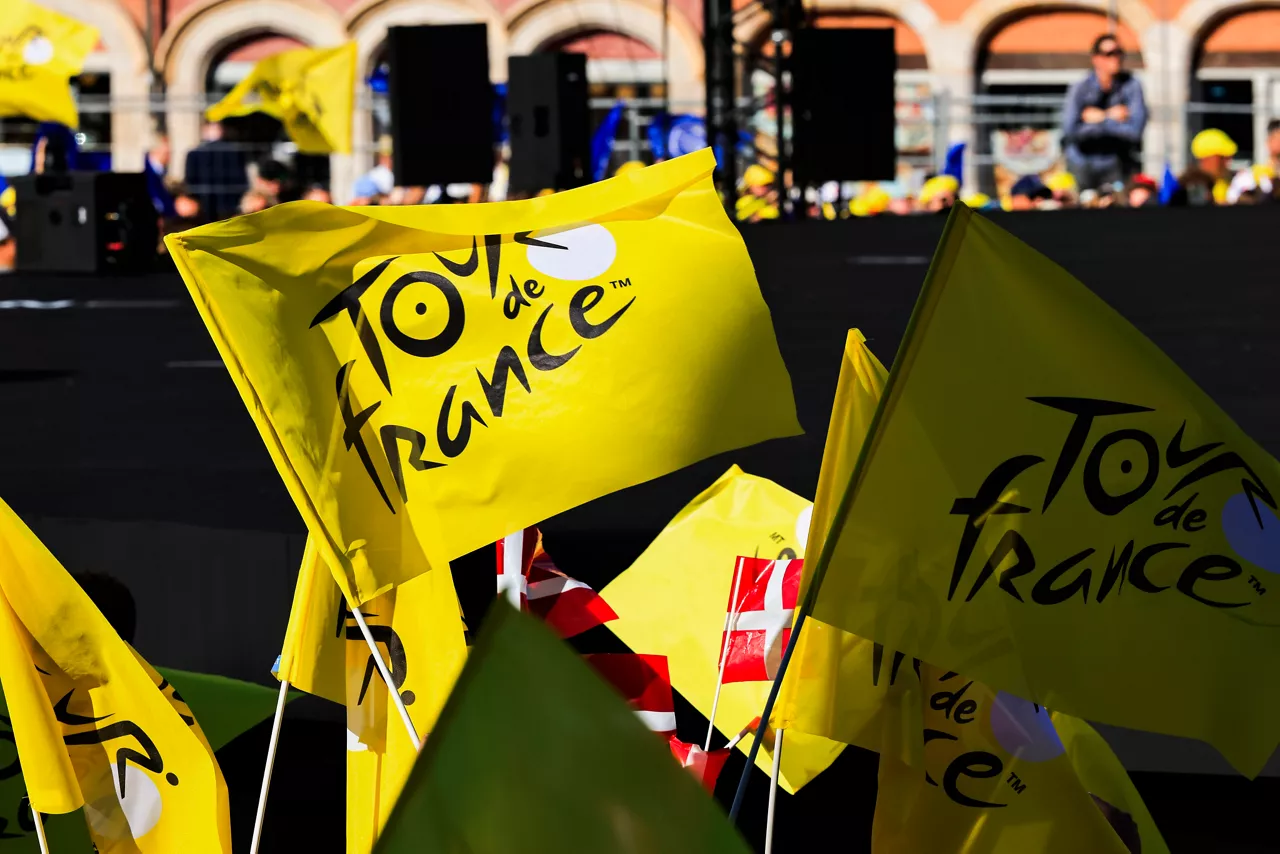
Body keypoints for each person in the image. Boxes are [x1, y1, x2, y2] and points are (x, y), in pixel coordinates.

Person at [1062, 34, 1147, 190]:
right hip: (1082, 162)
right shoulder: (1080, 87)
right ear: (1096, 58)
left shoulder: (1132, 86)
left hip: (1117, 163)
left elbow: (1135, 131)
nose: (1116, 58)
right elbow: (1071, 131)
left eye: (1119, 53)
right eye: (1109, 54)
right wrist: (1110, 116)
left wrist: (1098, 117)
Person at [184, 120, 249, 221]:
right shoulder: (235, 151)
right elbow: (242, 180)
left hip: (204, 205)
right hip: (228, 204)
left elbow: (190, 180)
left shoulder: (194, 153)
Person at [1189, 128, 1237, 204]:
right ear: (1205, 159)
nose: (1228, 161)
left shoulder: (1232, 185)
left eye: (1229, 157)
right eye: (1222, 157)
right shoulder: (1190, 190)